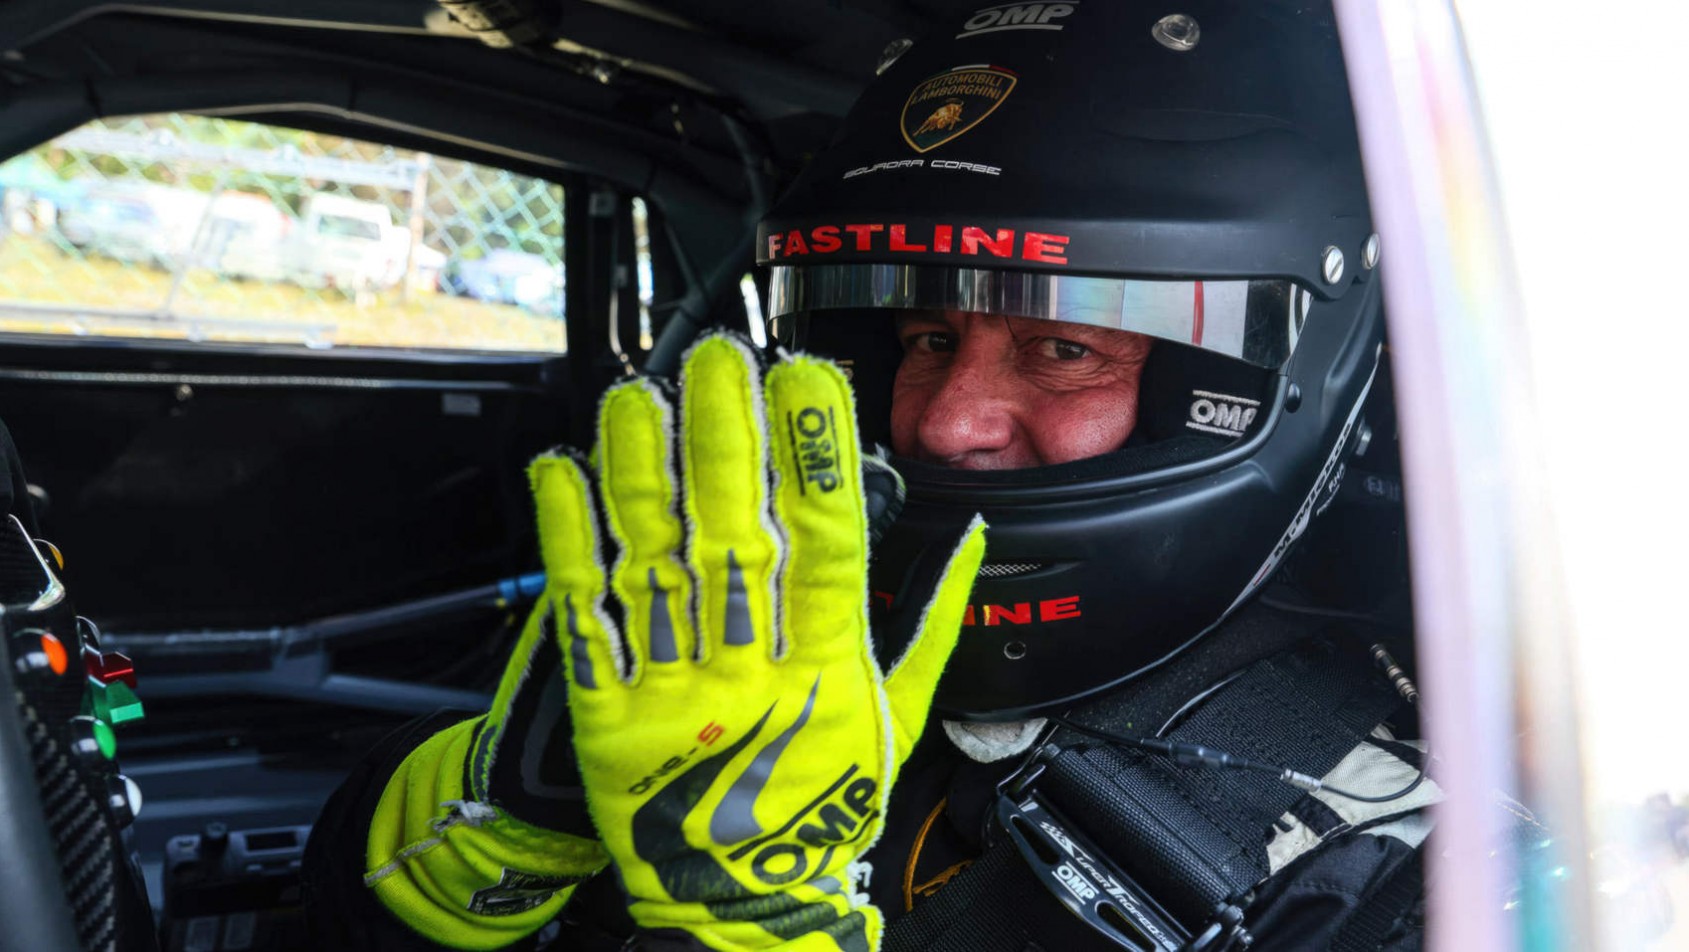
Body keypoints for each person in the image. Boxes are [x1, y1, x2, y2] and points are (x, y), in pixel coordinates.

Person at [302, 2, 1435, 950]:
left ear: (1230, 388)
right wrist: (501, 832)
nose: (947, 424)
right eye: (928, 339)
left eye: (1065, 346)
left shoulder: (1382, 865)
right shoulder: (754, 631)